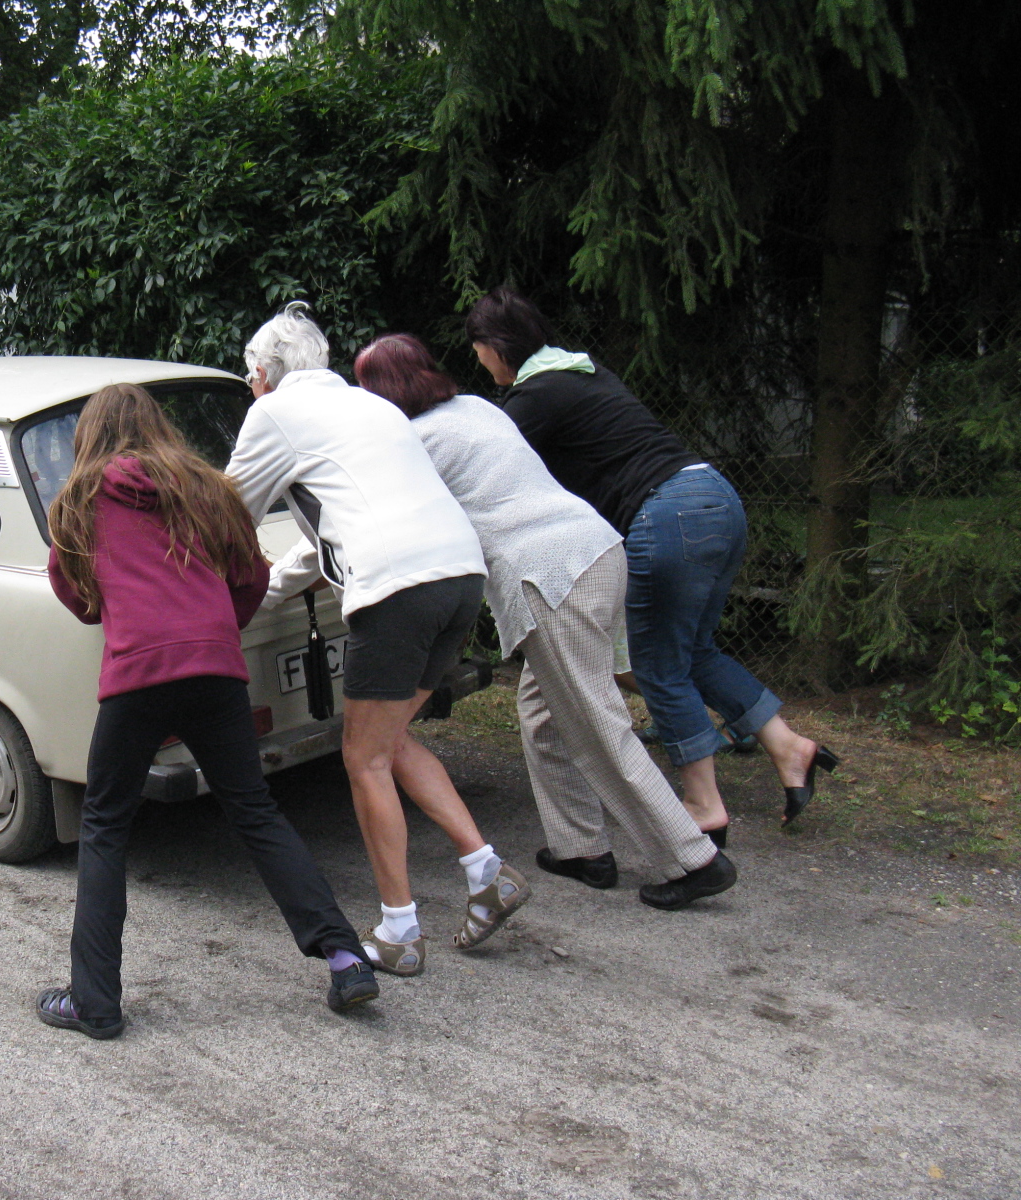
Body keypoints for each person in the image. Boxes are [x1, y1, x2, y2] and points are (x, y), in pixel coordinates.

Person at [37, 383, 378, 1040]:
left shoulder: (78, 499)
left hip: (137, 672)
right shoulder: (208, 488)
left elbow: (76, 595)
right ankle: (343, 957)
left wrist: (125, 610)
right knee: (254, 811)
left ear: (89, 436)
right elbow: (250, 579)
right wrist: (213, 631)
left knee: (106, 824)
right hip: (218, 669)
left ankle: (94, 1003)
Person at [354, 333, 736, 909]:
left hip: (548, 576)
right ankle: (580, 847)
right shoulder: (477, 407)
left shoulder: (416, 440)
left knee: (593, 724)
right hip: (597, 551)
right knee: (541, 711)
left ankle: (692, 858)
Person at [465, 286, 838, 842]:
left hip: (666, 517)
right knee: (695, 652)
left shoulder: (536, 396)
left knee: (658, 664)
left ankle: (703, 803)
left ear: (496, 347)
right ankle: (789, 747)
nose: (476, 358)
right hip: (714, 497)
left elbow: (486, 466)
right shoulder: (583, 373)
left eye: (477, 347)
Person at [225, 302, 529, 977]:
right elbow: (344, 525)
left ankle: (397, 929)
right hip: (459, 577)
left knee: (361, 757)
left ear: (264, 374)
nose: (251, 388)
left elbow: (225, 517)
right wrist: (273, 591)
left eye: (249, 377)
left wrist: (210, 592)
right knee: (390, 743)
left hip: (396, 590)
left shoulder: (273, 414)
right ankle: (487, 876)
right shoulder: (371, 409)